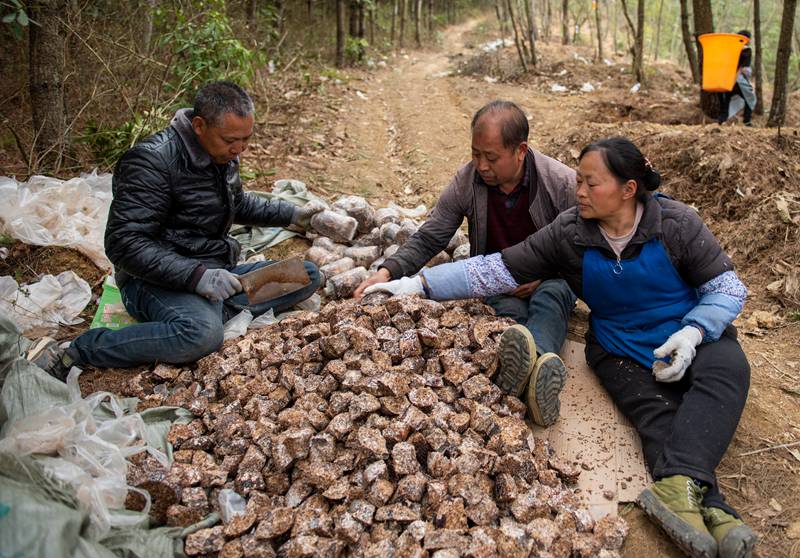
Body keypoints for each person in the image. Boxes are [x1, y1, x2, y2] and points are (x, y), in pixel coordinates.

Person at [365, 137, 757, 558]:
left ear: (628, 189)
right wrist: (416, 285)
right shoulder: (570, 232)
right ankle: (712, 507)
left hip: (687, 332)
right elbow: (495, 269)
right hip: (620, 349)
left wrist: (694, 332)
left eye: (591, 183)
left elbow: (727, 288)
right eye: (579, 181)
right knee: (659, 414)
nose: (580, 191)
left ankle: (687, 493)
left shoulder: (675, 223)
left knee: (727, 371)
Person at [28, 81, 322, 377]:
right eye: (231, 140)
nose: (238, 150)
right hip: (153, 281)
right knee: (202, 336)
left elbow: (237, 204)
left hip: (213, 269)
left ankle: (213, 309)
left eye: (246, 139)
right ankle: (79, 350)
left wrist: (294, 215)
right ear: (199, 126)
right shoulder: (151, 162)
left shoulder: (223, 155)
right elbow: (124, 243)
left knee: (304, 275)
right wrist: (197, 277)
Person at [354, 100, 578, 427]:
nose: (481, 165)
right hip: (495, 280)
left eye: (491, 157)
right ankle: (529, 376)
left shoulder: (560, 183)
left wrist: (545, 276)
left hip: (550, 276)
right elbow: (431, 236)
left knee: (551, 299)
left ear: (520, 151)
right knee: (509, 318)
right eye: (475, 154)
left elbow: (582, 248)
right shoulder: (467, 181)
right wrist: (388, 272)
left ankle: (537, 367)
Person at [718, 30, 756, 127]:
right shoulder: (746, 50)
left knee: (726, 101)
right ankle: (747, 121)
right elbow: (744, 68)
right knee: (751, 98)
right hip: (737, 80)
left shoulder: (728, 49)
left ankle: (722, 121)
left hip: (724, 79)